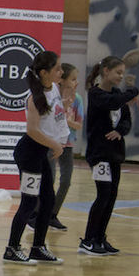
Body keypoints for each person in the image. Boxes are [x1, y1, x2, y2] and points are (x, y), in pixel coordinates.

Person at [3, 51, 68, 265]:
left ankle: (38, 247)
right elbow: (32, 131)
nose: (61, 72)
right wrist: (54, 144)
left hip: (41, 153)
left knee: (48, 199)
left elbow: (55, 119)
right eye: (57, 69)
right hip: (29, 153)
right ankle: (12, 248)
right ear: (44, 73)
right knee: (30, 201)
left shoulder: (54, 88)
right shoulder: (34, 98)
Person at [80, 55, 139, 256]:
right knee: (103, 195)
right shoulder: (96, 94)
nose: (121, 76)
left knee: (111, 196)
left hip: (115, 153)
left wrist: (120, 131)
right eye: (118, 72)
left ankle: (100, 237)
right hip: (99, 154)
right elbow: (113, 103)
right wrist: (132, 91)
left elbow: (126, 119)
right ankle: (88, 240)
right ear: (106, 71)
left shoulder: (118, 94)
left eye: (123, 73)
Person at [49, 62, 83, 231]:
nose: (76, 82)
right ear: (62, 80)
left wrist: (66, 120)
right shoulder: (52, 95)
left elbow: (78, 125)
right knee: (49, 179)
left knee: (66, 181)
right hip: (51, 143)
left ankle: (53, 214)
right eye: (73, 79)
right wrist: (63, 112)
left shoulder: (78, 100)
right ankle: (39, 213)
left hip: (67, 144)